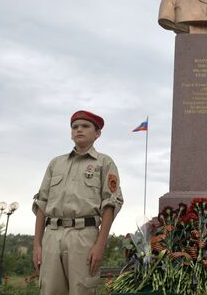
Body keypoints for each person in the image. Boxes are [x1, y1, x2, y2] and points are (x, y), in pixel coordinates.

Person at [32, 110, 124, 295]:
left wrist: (100, 245)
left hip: (85, 236)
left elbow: (110, 204)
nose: (79, 130)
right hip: (52, 235)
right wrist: (37, 245)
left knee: (82, 289)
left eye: (85, 126)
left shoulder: (104, 163)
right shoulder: (55, 164)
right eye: (75, 127)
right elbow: (42, 204)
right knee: (49, 289)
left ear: (97, 133)